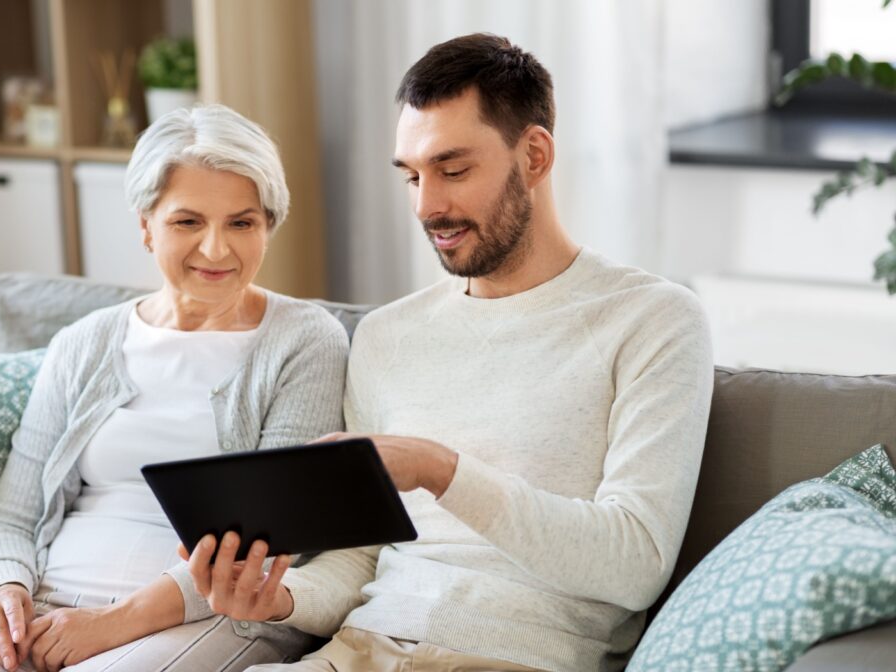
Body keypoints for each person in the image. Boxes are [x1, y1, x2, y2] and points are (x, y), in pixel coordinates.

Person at [183, 34, 715, 672]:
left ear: (535, 155)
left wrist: (437, 468)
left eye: (452, 170)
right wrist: (278, 599)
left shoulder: (652, 320)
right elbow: (362, 559)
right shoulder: (387, 335)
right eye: (412, 175)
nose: (427, 205)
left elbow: (634, 566)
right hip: (354, 653)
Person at [0, 104, 349, 672]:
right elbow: (11, 515)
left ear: (269, 226)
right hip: (49, 602)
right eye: (188, 222)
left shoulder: (305, 341)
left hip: (212, 615)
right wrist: (2, 593)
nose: (216, 249)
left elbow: (269, 538)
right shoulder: (82, 343)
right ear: (145, 225)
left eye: (242, 222)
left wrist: (110, 626)